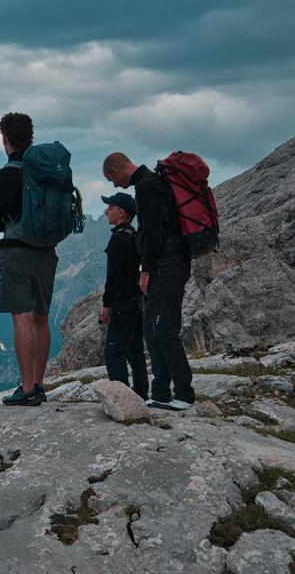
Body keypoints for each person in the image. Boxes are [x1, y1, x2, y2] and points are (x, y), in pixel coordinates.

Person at [102, 152, 196, 410]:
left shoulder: (146, 186)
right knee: (153, 333)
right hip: (166, 263)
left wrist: (147, 270)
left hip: (168, 264)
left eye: (112, 178)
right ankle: (162, 393)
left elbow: (154, 230)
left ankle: (185, 395)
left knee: (165, 331)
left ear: (117, 169)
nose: (115, 185)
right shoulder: (150, 183)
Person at [0, 112, 55, 407]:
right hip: (47, 251)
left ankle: (26, 388)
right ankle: (38, 383)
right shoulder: (47, 173)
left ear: (5, 139)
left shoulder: (2, 177)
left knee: (22, 316)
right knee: (41, 316)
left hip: (17, 252)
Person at [98, 193, 149, 399]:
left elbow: (114, 275)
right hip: (136, 301)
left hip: (121, 302)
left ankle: (122, 398)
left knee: (114, 351)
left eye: (110, 208)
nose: (106, 212)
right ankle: (141, 394)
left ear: (122, 212)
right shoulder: (134, 235)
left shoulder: (118, 238)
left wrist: (106, 305)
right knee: (135, 350)